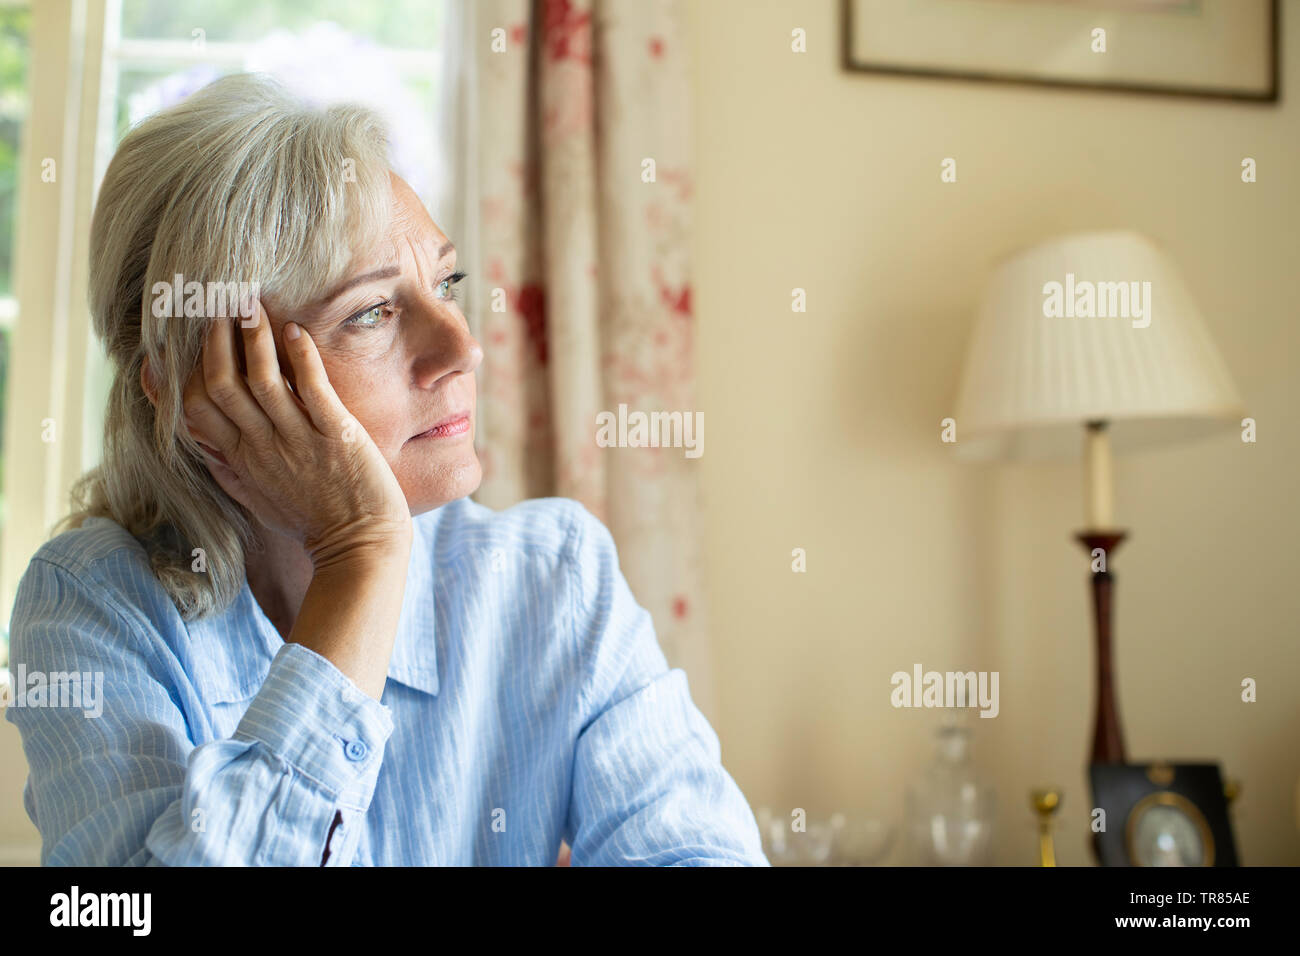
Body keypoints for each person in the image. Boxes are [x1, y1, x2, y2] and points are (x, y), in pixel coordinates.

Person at [4, 73, 768, 866]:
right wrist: (360, 554)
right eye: (371, 312)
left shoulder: (554, 579)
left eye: (447, 284)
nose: (461, 348)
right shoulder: (94, 606)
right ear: (203, 386)